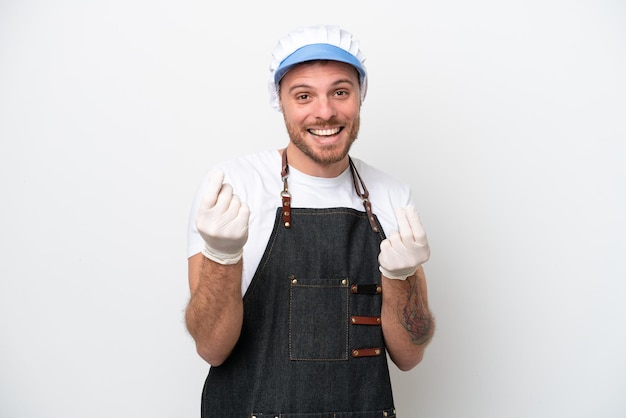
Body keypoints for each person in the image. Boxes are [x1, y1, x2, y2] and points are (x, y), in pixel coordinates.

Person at [185, 24, 434, 417]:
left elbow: (410, 354)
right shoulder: (233, 188)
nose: (325, 111)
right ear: (281, 102)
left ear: (359, 97)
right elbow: (212, 348)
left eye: (340, 91)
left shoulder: (391, 196)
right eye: (304, 95)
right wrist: (221, 255)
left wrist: (402, 279)